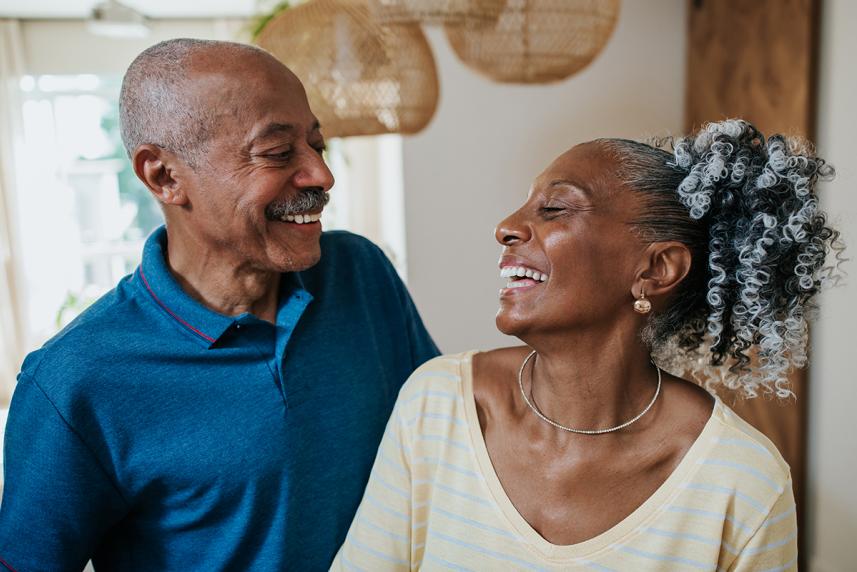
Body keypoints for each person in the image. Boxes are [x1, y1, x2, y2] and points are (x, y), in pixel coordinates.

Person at [0, 39, 438, 571]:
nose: (321, 175)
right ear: (164, 176)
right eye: (277, 153)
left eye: (316, 145)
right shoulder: (75, 381)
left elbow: (443, 438)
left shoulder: (361, 274)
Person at [332, 119, 842, 571]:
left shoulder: (744, 485)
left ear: (656, 269)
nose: (506, 227)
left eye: (554, 207)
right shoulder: (437, 404)